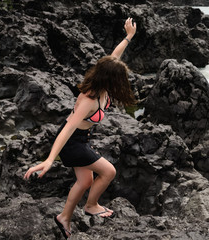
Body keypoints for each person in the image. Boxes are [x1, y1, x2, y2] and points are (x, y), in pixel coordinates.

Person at [23, 18, 137, 239]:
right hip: (72, 142)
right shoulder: (89, 99)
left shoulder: (104, 81)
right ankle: (91, 205)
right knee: (109, 171)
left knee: (86, 180)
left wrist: (128, 36)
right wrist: (49, 159)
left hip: (81, 139)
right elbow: (66, 130)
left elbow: (114, 56)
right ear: (110, 79)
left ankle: (63, 217)